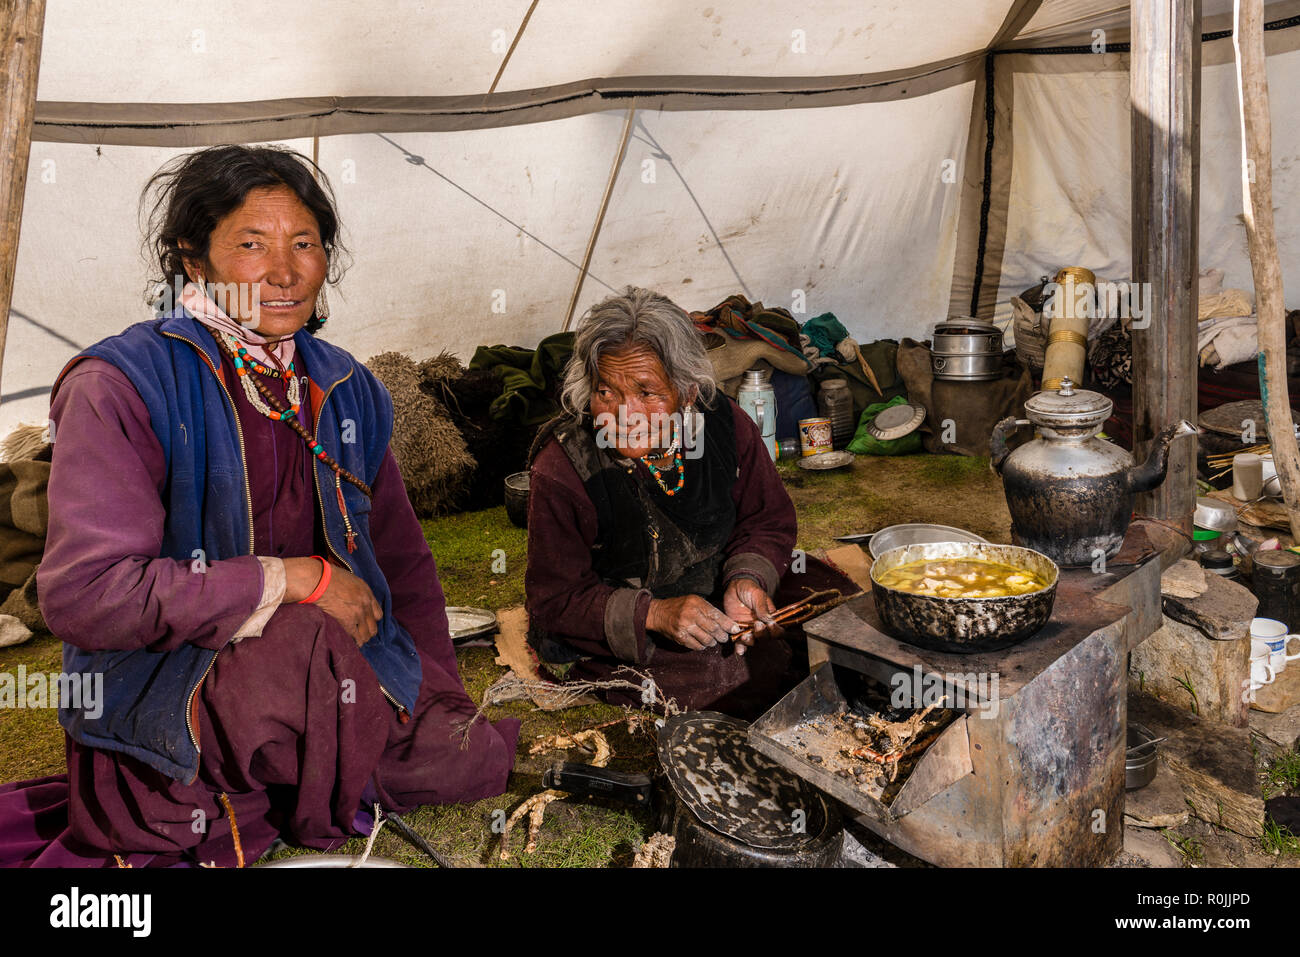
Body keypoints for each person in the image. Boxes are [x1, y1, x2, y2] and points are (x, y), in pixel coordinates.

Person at [0, 145, 518, 867]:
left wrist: (438, 690)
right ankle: (247, 783)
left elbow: (400, 560)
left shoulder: (346, 389)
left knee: (468, 758)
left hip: (329, 678)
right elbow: (86, 596)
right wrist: (293, 578)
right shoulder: (120, 384)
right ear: (193, 257)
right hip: (175, 690)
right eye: (252, 244)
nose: (284, 270)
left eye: (304, 243)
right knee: (304, 645)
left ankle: (315, 764)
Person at [524, 287, 855, 717]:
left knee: (835, 612)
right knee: (742, 676)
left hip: (714, 592)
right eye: (606, 392)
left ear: (687, 393)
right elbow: (555, 598)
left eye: (647, 393)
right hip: (626, 626)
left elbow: (766, 517)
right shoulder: (564, 467)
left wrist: (746, 579)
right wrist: (656, 613)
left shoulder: (722, 423)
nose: (625, 415)